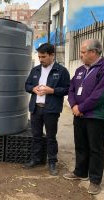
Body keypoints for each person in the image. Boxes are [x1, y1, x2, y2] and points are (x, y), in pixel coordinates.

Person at [63, 39, 104, 195]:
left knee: (95, 148)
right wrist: (74, 105)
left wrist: (81, 107)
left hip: (96, 116)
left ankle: (95, 181)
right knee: (80, 145)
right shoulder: (80, 70)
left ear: (93, 52)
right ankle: (80, 172)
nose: (80, 55)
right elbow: (72, 88)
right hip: (78, 114)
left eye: (83, 52)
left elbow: (101, 95)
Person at [24, 43, 70, 176]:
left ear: (52, 55)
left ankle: (52, 162)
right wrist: (33, 89)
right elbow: (27, 85)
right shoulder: (35, 70)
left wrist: (52, 90)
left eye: (43, 56)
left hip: (51, 110)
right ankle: (36, 159)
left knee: (51, 137)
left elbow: (67, 89)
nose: (41, 59)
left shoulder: (61, 71)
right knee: (36, 136)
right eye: (39, 57)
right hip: (36, 108)